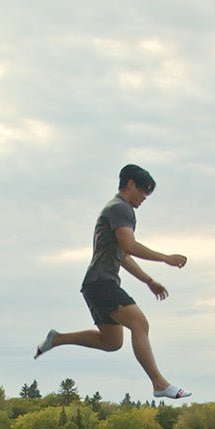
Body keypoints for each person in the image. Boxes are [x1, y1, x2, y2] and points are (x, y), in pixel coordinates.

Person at [35, 163, 192, 399]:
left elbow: (123, 256)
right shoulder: (122, 208)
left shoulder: (114, 209)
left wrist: (148, 280)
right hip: (101, 282)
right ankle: (159, 383)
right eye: (143, 193)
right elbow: (129, 246)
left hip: (96, 283)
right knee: (140, 323)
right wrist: (165, 258)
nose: (143, 200)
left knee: (112, 342)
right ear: (131, 185)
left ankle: (57, 339)